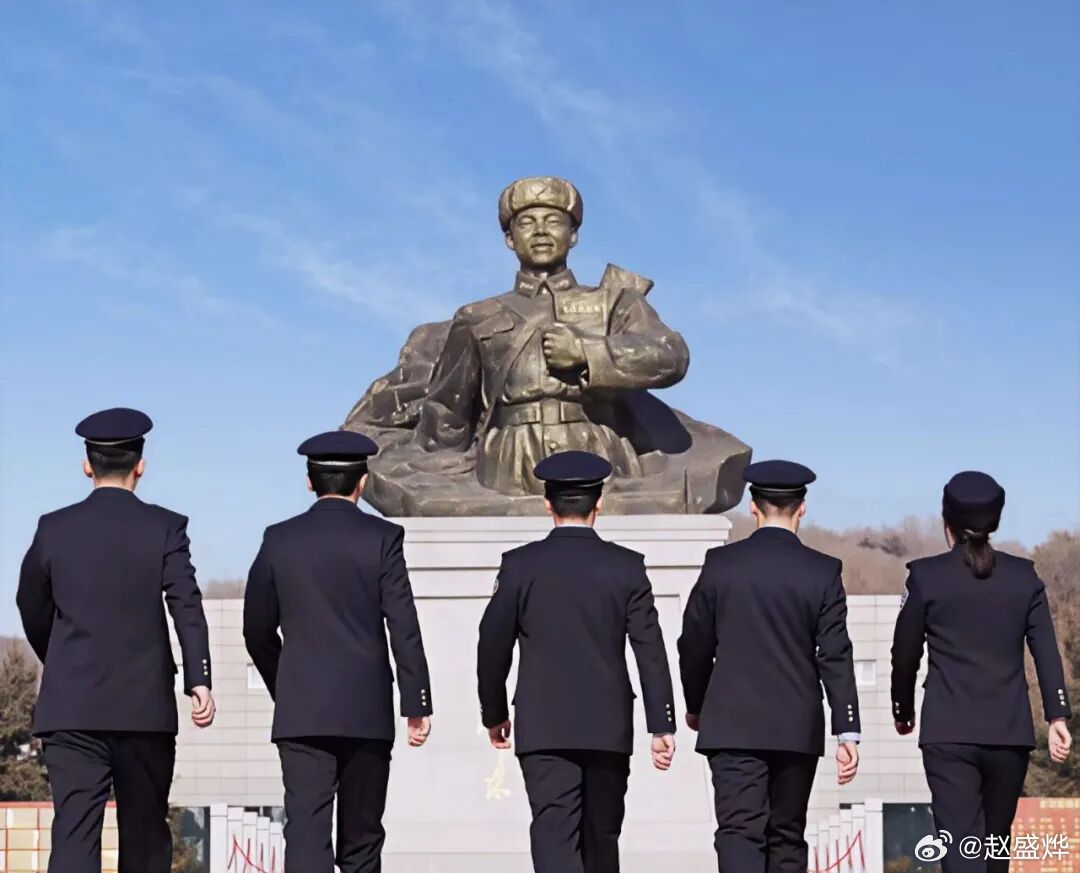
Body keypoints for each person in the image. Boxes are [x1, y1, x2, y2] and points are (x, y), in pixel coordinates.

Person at [16, 407, 215, 873]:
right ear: (140, 464)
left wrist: (60, 657)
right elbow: (186, 602)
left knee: (73, 836)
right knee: (145, 840)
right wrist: (198, 678)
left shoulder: (53, 528)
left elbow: (30, 604)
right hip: (144, 710)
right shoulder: (166, 526)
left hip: (73, 707)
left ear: (87, 464)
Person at [477, 450, 677, 873]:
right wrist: (662, 724)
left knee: (554, 834)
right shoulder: (627, 567)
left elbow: (492, 642)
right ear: (598, 502)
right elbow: (650, 649)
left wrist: (493, 713)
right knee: (602, 837)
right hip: (608, 726)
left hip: (544, 727)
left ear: (547, 503)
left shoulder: (520, 566)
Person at [243, 431, 433, 873]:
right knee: (362, 840)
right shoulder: (383, 538)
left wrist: (283, 683)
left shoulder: (279, 540)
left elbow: (256, 630)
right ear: (362, 482)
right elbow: (403, 625)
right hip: (366, 712)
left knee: (306, 836)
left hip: (302, 712)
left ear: (309, 482)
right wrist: (416, 703)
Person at [678, 460, 860, 873]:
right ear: (803, 508)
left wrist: (696, 703)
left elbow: (693, 644)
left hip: (732, 724)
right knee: (787, 834)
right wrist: (847, 727)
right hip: (795, 727)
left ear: (752, 507)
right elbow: (835, 654)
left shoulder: (721, 565)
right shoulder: (822, 571)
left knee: (740, 833)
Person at [891, 471, 1072, 873]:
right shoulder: (1024, 578)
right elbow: (1045, 650)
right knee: (993, 848)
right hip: (1008, 734)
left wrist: (903, 710)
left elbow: (904, 653)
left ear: (946, 522)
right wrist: (1057, 715)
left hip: (948, 733)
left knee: (959, 847)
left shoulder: (925, 577)